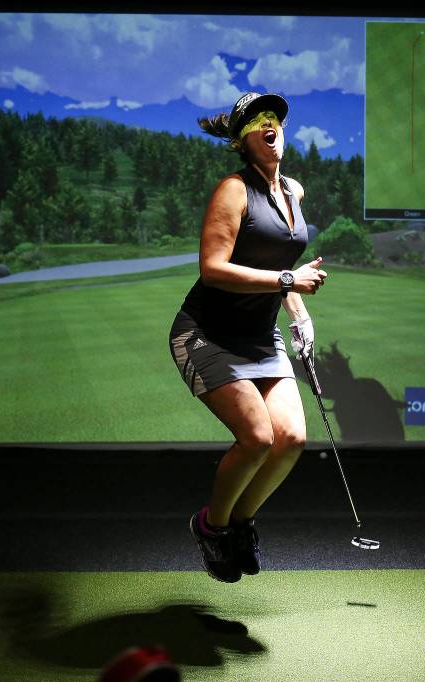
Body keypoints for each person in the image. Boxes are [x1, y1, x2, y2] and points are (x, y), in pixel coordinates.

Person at [168, 92, 328, 583]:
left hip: (261, 335)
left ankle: (241, 522)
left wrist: (299, 316)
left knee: (292, 439)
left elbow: (279, 262)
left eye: (274, 117)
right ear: (242, 139)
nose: (269, 124)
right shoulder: (233, 191)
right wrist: (288, 283)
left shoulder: (293, 191)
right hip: (207, 333)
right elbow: (214, 270)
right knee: (257, 437)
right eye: (257, 120)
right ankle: (212, 527)